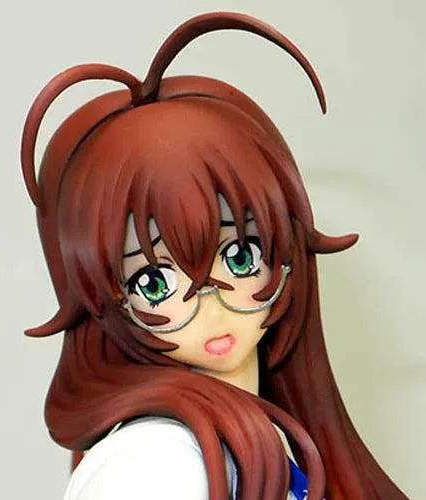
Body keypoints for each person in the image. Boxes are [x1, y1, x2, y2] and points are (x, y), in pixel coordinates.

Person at [21, 12, 407, 500]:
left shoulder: (267, 435)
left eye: (241, 256)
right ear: (106, 296)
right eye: (155, 282)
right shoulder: (156, 460)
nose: (211, 306)